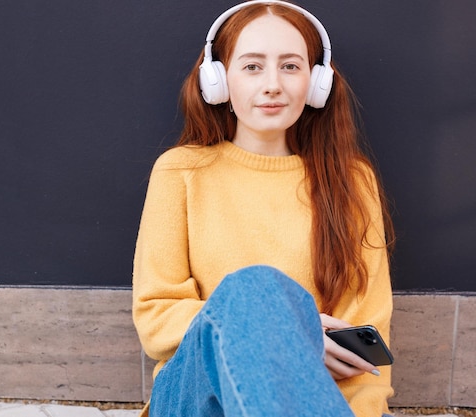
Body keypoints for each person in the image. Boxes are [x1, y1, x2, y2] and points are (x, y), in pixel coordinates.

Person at [132, 1, 395, 416]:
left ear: (315, 82)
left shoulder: (353, 181)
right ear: (218, 80)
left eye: (290, 66)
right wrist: (288, 330)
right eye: (253, 66)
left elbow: (364, 346)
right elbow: (156, 318)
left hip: (312, 403)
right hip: (194, 397)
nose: (273, 84)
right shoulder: (181, 171)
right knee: (254, 289)